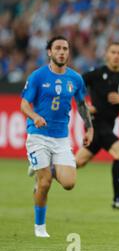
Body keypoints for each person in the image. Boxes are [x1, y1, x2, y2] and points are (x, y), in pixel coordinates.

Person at [21, 35, 93, 238]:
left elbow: (81, 104)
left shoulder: (75, 79)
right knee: (44, 183)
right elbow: (24, 104)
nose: (62, 52)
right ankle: (40, 227)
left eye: (65, 48)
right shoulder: (38, 76)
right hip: (38, 136)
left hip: (61, 138)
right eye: (58, 48)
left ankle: (43, 168)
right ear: (49, 52)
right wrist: (34, 116)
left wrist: (89, 128)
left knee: (69, 183)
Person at [75, 42, 119, 209]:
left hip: (108, 125)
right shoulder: (96, 74)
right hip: (95, 123)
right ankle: (117, 199)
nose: (116, 55)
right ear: (107, 55)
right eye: (113, 52)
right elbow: (74, 86)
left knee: (79, 162)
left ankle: (48, 171)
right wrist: (84, 105)